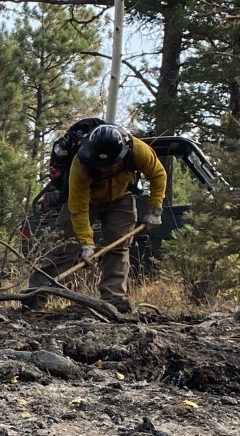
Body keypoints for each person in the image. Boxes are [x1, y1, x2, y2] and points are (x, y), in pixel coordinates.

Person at [26, 123, 166, 313]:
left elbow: (158, 174)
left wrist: (155, 207)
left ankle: (114, 299)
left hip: (121, 197)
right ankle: (35, 295)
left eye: (111, 164)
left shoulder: (138, 149)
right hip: (85, 200)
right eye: (102, 165)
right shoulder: (81, 163)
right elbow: (78, 207)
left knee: (118, 246)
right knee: (64, 246)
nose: (106, 169)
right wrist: (86, 242)